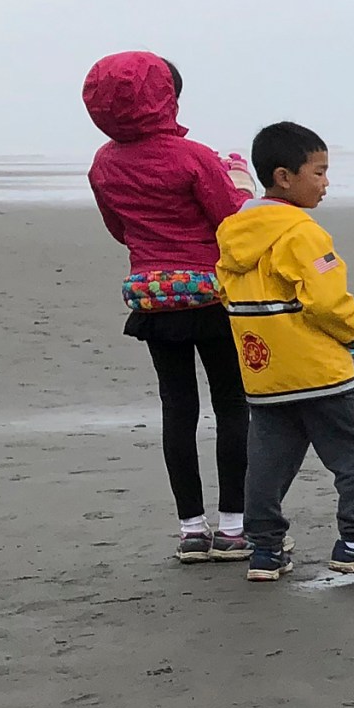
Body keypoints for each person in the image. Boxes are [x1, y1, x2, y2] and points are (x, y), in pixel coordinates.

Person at [215, 121, 354, 582]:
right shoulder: (302, 233)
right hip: (317, 370)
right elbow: (326, 302)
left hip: (262, 369)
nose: (325, 183)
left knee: (267, 461)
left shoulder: (233, 232)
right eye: (319, 173)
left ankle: (265, 550)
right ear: (285, 176)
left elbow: (222, 288)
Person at [83, 51, 255, 564]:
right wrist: (241, 185)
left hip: (154, 297)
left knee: (177, 409)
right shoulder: (193, 157)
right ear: (166, 97)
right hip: (211, 295)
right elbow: (230, 220)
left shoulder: (104, 163)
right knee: (231, 405)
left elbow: (119, 228)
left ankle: (190, 529)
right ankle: (233, 527)